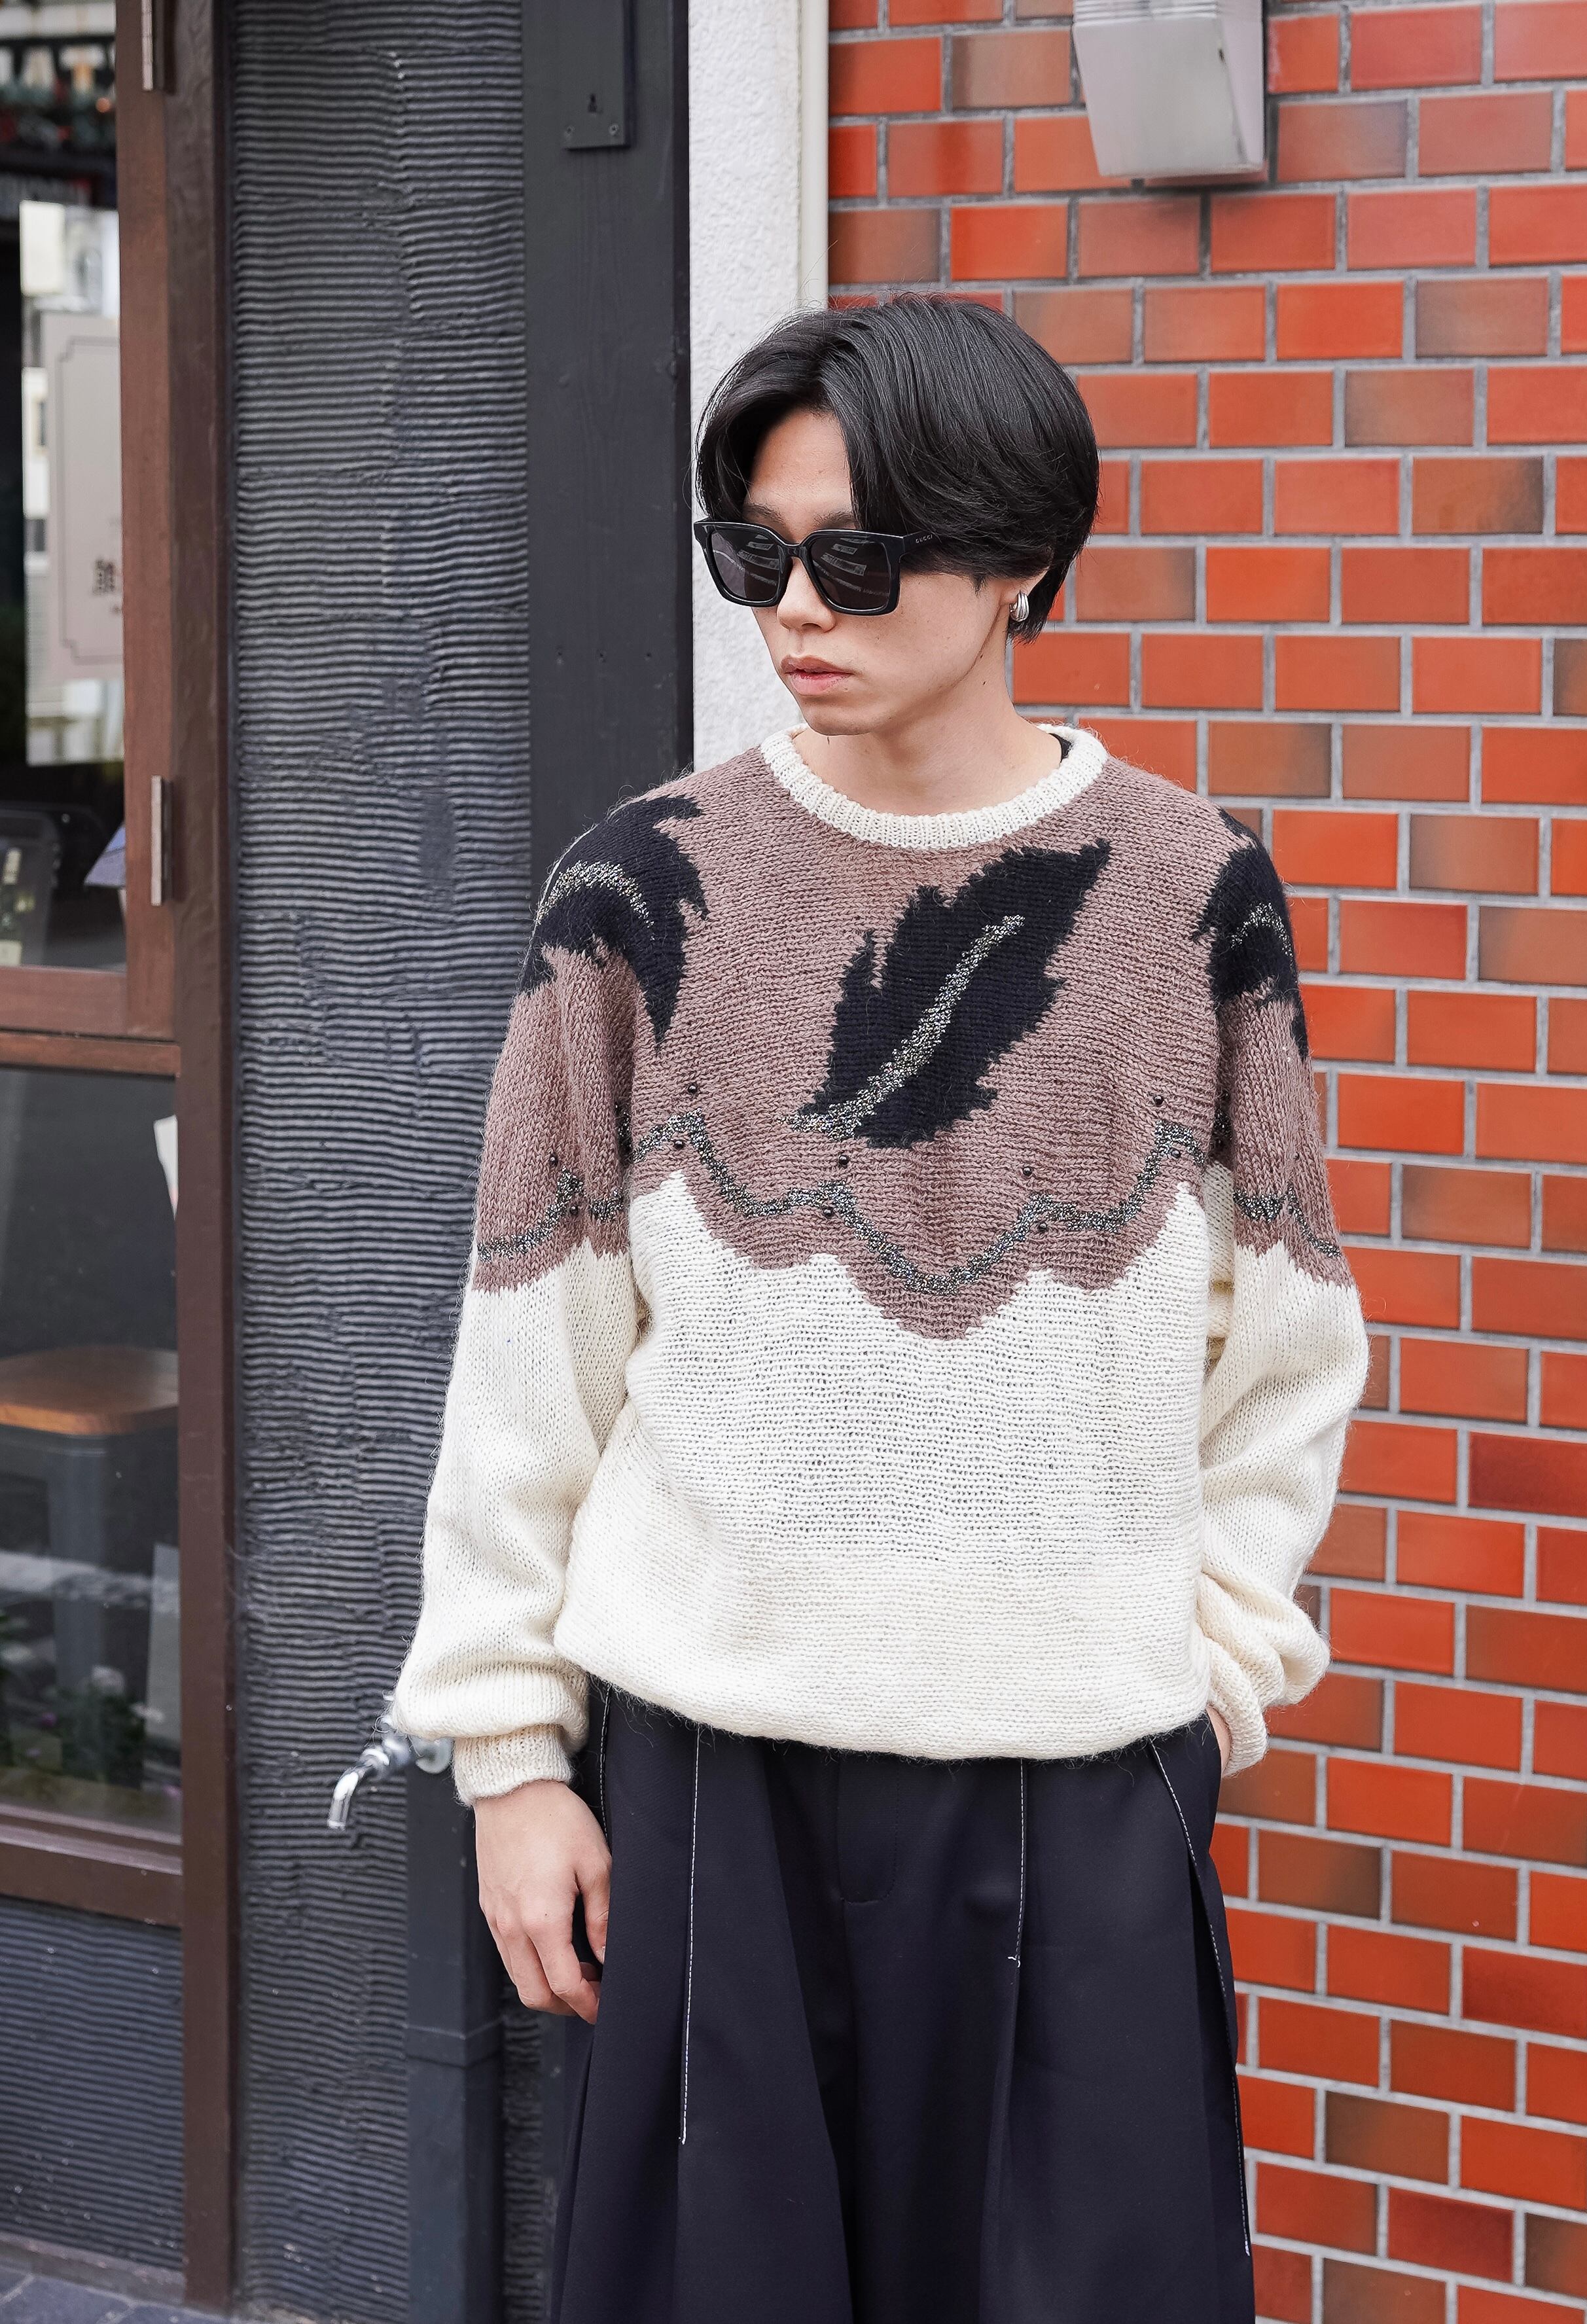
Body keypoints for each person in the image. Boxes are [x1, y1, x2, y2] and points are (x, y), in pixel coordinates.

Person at [392, 293, 1368, 2324]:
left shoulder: (1192, 891)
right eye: (753, 553)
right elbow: (533, 1351)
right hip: (709, 1778)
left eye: (855, 555)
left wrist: (1207, 1679)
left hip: (1077, 1775)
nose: (794, 609)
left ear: (1021, 561)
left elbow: (1282, 1345)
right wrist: (508, 1758)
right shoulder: (636, 892)